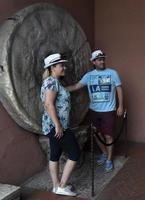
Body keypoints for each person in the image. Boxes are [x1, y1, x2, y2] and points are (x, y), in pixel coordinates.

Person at [67, 49, 123, 172]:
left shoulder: (113, 73)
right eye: (99, 59)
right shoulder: (89, 76)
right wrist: (60, 89)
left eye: (103, 59)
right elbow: (77, 86)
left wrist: (120, 106)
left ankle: (109, 159)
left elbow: (119, 89)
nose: (102, 61)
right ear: (93, 62)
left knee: (109, 136)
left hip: (109, 111)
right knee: (96, 134)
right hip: (94, 110)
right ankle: (104, 153)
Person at [40, 53, 80, 196]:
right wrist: (57, 125)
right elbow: (49, 104)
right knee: (75, 153)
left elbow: (61, 94)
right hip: (57, 127)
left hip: (54, 126)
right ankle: (62, 186)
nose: (64, 67)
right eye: (61, 65)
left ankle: (56, 186)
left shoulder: (54, 82)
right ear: (52, 67)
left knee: (55, 154)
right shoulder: (51, 82)